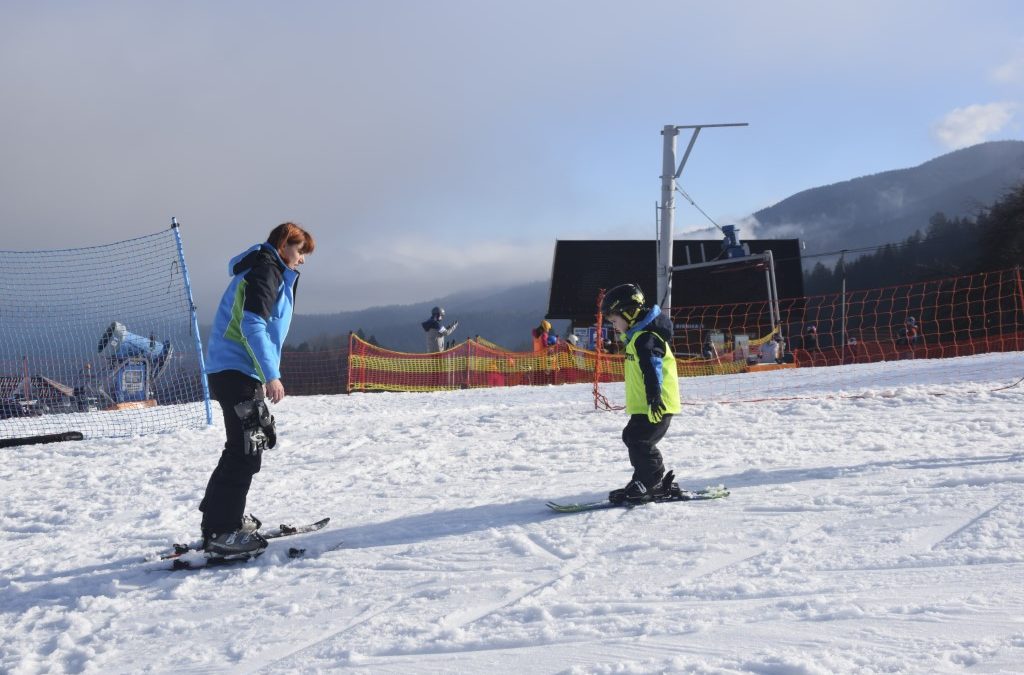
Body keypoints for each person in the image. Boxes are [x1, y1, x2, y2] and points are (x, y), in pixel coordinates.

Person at [198, 222, 315, 558]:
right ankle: (222, 531)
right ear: (282, 244)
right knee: (247, 450)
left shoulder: (265, 268)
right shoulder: (265, 271)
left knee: (242, 446)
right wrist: (271, 374)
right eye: (300, 250)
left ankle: (219, 521)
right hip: (237, 370)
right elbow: (253, 324)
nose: (303, 259)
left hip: (233, 369)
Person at [600, 283, 682, 504]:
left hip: (656, 404)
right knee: (633, 437)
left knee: (639, 440)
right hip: (645, 405)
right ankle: (642, 481)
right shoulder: (637, 338)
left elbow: (652, 368)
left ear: (629, 313)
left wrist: (655, 398)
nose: (614, 326)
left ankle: (652, 482)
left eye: (615, 321)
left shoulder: (646, 338)